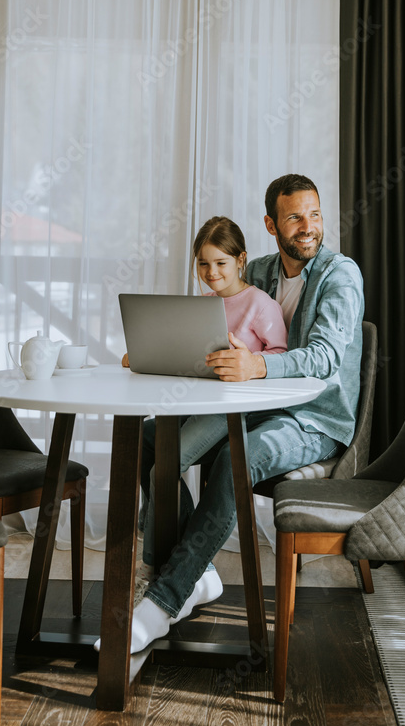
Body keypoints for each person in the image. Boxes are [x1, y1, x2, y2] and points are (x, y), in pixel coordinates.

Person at [128, 173, 364, 654]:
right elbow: (214, 327)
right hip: (255, 407)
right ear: (271, 225)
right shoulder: (257, 271)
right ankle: (197, 573)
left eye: (315, 215)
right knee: (149, 439)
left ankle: (164, 598)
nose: (308, 227)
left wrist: (258, 364)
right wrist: (160, 348)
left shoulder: (340, 275)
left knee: (237, 457)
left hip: (314, 420)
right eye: (294, 217)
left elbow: (325, 357)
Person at [136, 215, 288, 602]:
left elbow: (280, 358)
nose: (211, 272)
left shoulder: (260, 304)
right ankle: (197, 567)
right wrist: (147, 354)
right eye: (203, 264)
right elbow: (187, 356)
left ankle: (153, 568)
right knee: (143, 438)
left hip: (233, 411)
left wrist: (249, 360)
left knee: (162, 469)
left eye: (220, 262)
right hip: (198, 402)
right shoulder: (202, 307)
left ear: (241, 260)